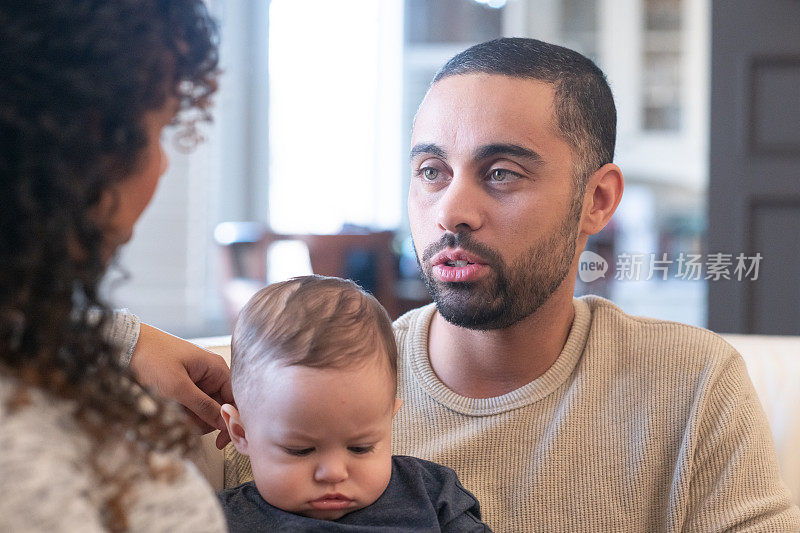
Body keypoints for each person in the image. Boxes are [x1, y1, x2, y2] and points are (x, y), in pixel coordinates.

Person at [128, 38, 800, 531]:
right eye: (431, 171)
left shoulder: (691, 381)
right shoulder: (290, 390)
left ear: (597, 200)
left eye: (502, 172)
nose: (452, 210)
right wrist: (120, 338)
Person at [0, 1, 229, 531]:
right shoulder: (21, 460)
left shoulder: (41, 330)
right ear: (94, 144)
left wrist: (124, 339)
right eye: (161, 130)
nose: (165, 164)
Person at [217, 275, 490, 532]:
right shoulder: (216, 520)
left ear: (389, 421)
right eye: (300, 450)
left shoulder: (431, 495)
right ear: (241, 433)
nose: (334, 473)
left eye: (361, 448)